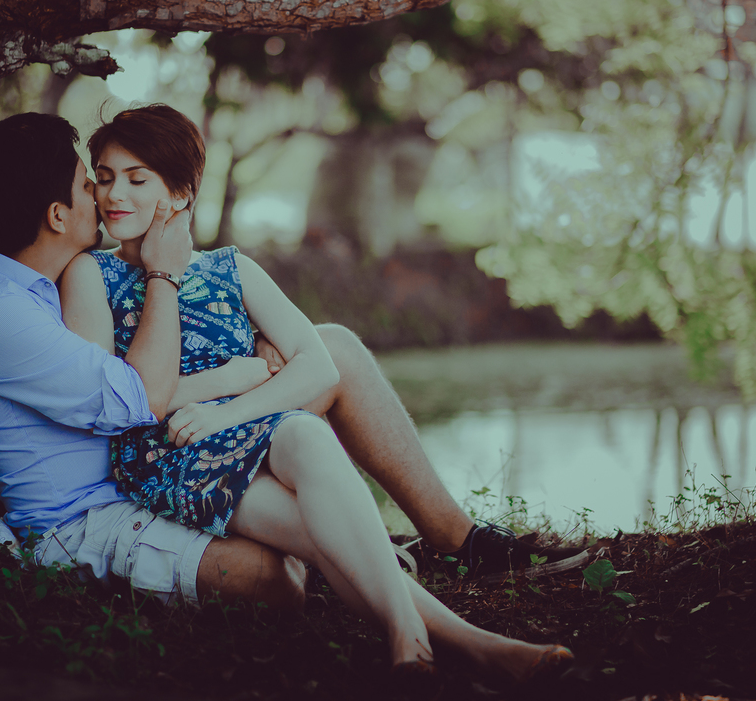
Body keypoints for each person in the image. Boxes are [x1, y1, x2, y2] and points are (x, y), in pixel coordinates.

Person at [56, 103, 574, 678]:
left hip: (245, 432)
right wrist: (233, 378)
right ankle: (463, 644)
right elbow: (116, 399)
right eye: (103, 177)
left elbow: (321, 369)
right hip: (170, 455)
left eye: (136, 178)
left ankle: (419, 639)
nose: (112, 194)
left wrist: (233, 411)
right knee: (334, 531)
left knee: (305, 432)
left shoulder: (231, 269)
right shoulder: (89, 275)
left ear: (178, 194)